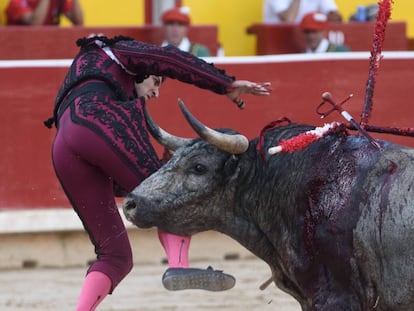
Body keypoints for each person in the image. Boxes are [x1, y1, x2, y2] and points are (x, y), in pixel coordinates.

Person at [43, 35, 271, 310]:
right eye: (156, 81)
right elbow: (169, 58)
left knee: (115, 256)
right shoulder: (119, 51)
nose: (156, 92)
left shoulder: (90, 69)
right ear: (145, 71)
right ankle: (178, 264)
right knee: (168, 194)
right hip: (95, 121)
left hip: (63, 147)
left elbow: (123, 184)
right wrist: (224, 83)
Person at [6, 0, 83, 25]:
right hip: (23, 49)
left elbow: (78, 22)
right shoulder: (17, 1)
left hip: (49, 45)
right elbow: (34, 25)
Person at [263, 0, 342, 24]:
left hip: (306, 41)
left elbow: (336, 18)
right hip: (278, 43)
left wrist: (319, 17)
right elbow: (289, 20)